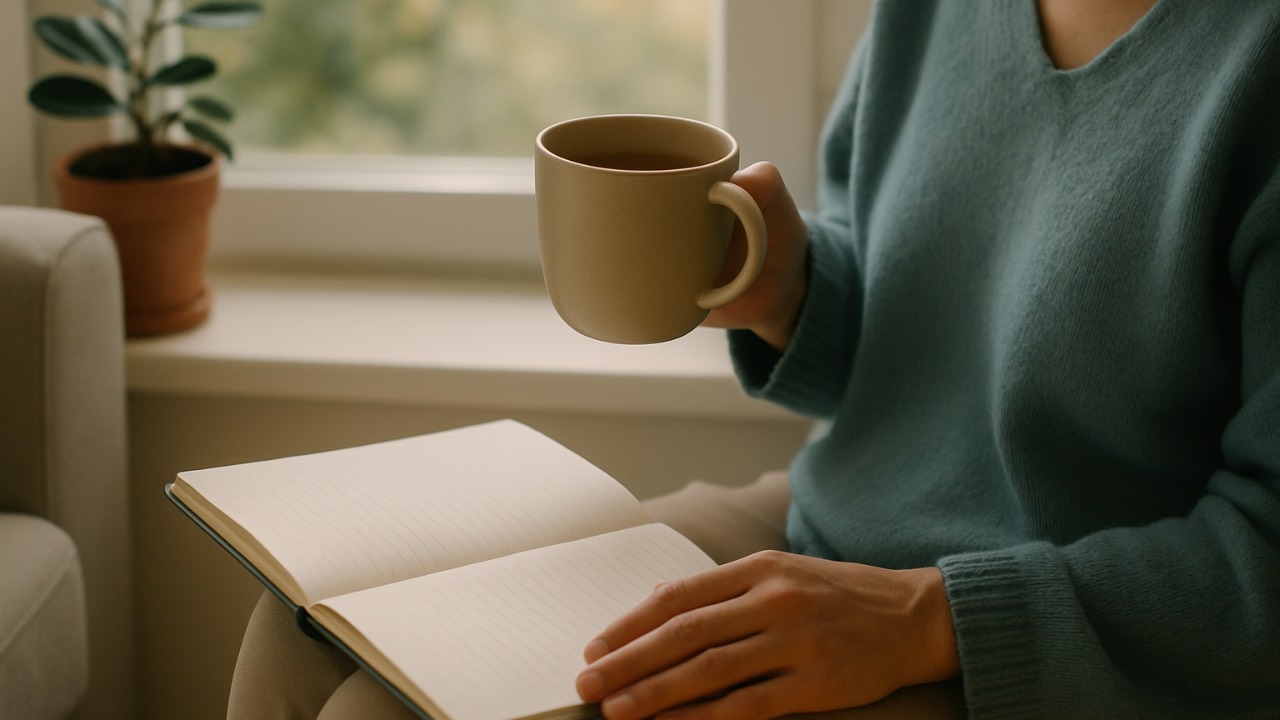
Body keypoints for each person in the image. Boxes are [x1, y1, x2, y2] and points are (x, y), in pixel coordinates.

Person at [228, 0, 1280, 717]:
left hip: (1034, 645)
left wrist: (927, 621)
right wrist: (789, 291)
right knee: (297, 632)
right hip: (834, 527)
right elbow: (929, 333)